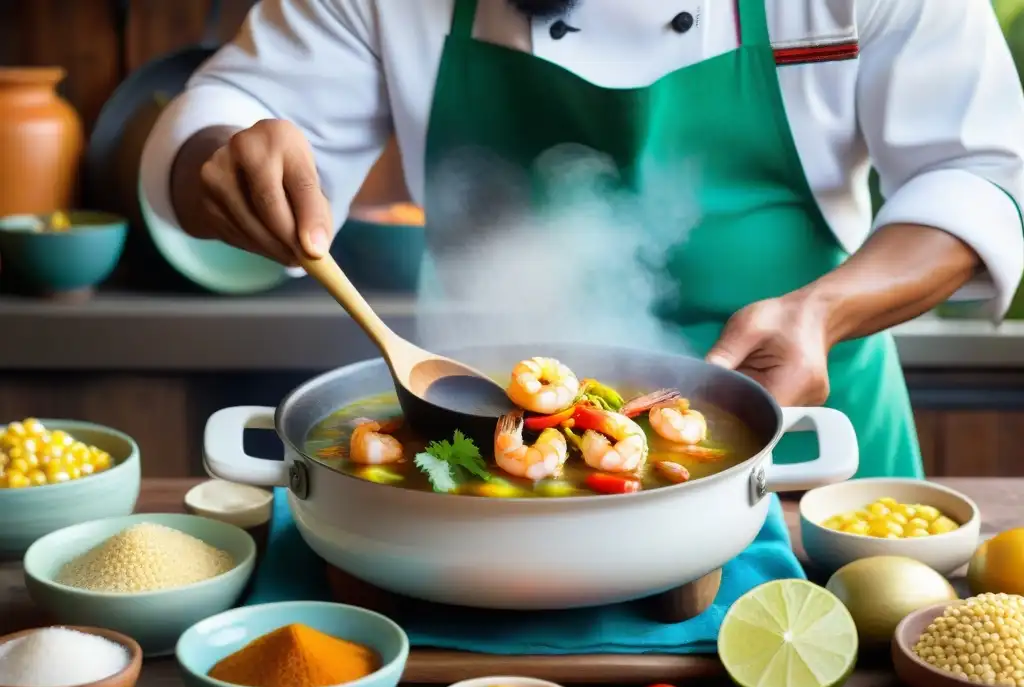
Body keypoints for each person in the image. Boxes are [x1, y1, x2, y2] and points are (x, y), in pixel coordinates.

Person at [141, 0, 1024, 479]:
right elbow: (217, 122)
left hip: (810, 428)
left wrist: (823, 313)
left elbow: (982, 175)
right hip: (476, 420)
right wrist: (224, 157)